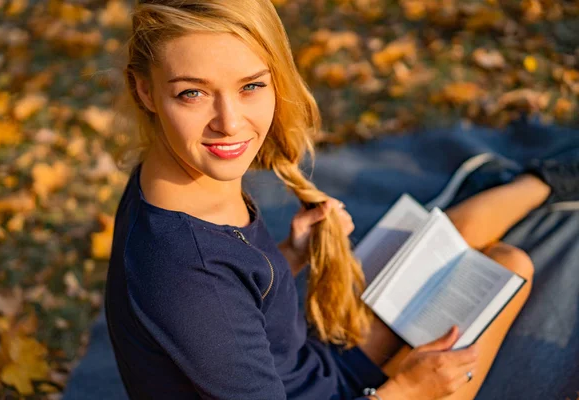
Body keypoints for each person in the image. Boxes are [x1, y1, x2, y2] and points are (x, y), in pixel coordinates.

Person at [104, 0, 578, 398]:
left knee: (451, 240)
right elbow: (207, 295)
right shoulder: (185, 275)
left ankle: (543, 182)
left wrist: (288, 257)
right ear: (143, 89)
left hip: (311, 367)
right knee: (509, 266)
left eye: (250, 86)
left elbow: (231, 298)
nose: (229, 122)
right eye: (193, 94)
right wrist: (408, 391)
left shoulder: (170, 170)